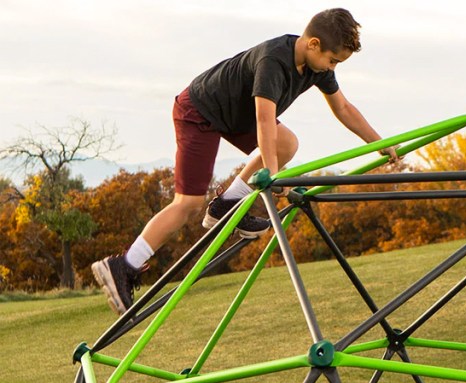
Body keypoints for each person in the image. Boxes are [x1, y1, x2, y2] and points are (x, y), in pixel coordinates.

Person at [91, 8, 398, 315]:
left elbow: (343, 108)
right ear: (313, 44)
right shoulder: (273, 62)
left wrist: (380, 143)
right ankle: (123, 265)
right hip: (199, 112)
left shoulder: (318, 68)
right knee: (188, 202)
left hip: (236, 115)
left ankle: (225, 203)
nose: (332, 68)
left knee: (287, 143)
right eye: (333, 60)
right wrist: (273, 175)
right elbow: (265, 121)